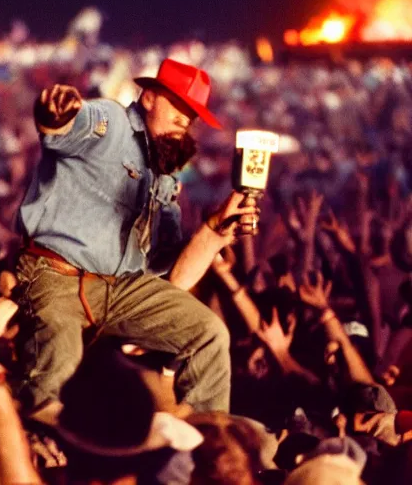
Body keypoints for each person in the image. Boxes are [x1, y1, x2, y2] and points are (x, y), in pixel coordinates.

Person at [14, 58, 259, 413]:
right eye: (178, 106)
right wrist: (58, 110)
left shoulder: (164, 175)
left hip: (120, 288)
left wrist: (215, 231)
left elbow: (172, 274)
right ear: (149, 98)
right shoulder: (111, 122)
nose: (184, 120)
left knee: (209, 333)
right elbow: (67, 125)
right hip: (55, 275)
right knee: (56, 370)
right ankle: (36, 444)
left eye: (192, 116)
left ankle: (211, 448)